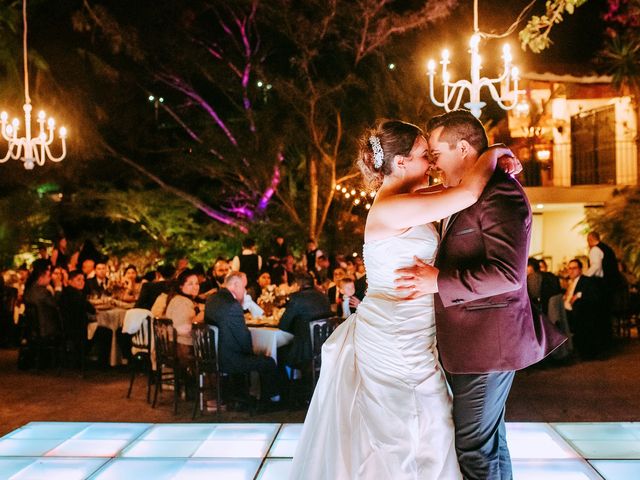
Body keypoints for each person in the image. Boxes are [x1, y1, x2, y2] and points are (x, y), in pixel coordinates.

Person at [290, 118, 524, 479]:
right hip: (395, 335)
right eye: (423, 155)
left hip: (414, 331)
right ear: (400, 163)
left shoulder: (409, 199)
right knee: (408, 433)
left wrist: (494, 159)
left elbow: (460, 186)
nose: (431, 163)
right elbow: (466, 194)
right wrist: (493, 151)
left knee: (432, 428)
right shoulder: (390, 208)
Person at [394, 110, 566, 479]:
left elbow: (508, 274)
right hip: (472, 343)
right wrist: (496, 150)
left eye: (436, 154)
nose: (435, 165)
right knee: (487, 443)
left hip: (489, 343)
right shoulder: (467, 191)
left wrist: (438, 281)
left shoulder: (501, 193)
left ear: (462, 147)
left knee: (473, 449)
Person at [204, 271, 281, 408]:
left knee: (258, 358)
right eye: (243, 288)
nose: (245, 291)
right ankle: (268, 402)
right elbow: (243, 339)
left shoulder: (212, 299)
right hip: (228, 360)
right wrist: (252, 353)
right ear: (234, 285)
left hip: (212, 356)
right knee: (268, 362)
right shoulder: (233, 306)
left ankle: (243, 394)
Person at [278, 273, 331, 369]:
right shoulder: (324, 297)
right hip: (324, 346)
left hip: (303, 351)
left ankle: (291, 383)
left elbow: (283, 325)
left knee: (278, 351)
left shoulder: (296, 298)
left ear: (298, 284)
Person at [164, 269, 204, 364]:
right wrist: (203, 315)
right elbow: (183, 329)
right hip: (181, 348)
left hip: (175, 345)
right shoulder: (182, 302)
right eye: (190, 284)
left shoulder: (180, 299)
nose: (195, 287)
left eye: (197, 283)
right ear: (181, 286)